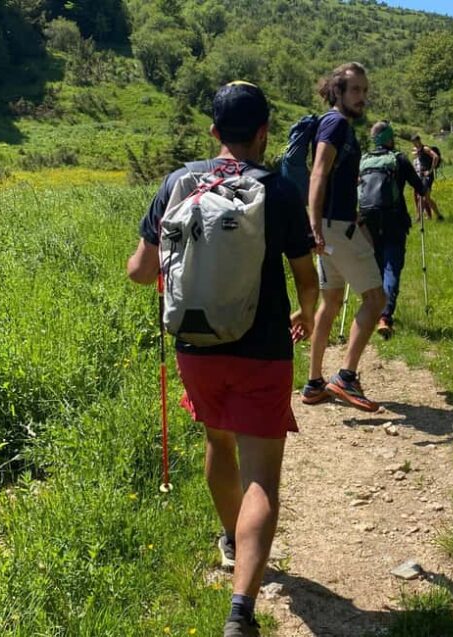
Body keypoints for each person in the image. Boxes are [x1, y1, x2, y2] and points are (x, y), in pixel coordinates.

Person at [126, 82, 318, 637]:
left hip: (196, 344)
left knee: (218, 442)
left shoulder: (177, 183)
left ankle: (232, 539)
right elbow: (306, 277)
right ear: (264, 133)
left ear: (213, 132)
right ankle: (241, 612)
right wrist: (306, 314)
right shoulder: (278, 189)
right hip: (262, 349)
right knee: (263, 478)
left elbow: (139, 271)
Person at [301, 62, 386, 412]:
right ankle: (346, 377)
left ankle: (313, 383)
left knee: (332, 301)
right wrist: (315, 225)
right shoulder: (335, 124)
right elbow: (318, 173)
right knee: (376, 299)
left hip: (333, 226)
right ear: (338, 91)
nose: (362, 97)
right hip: (334, 228)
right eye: (355, 90)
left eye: (365, 90)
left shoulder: (337, 124)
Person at [360, 121, 427, 339]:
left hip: (368, 220)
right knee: (392, 268)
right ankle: (385, 317)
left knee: (377, 267)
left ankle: (373, 310)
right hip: (394, 220)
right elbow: (420, 188)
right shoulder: (399, 159)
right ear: (389, 138)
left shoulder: (364, 160)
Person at [411, 134, 443, 221]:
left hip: (427, 176)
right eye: (413, 143)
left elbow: (435, 157)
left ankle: (419, 218)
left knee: (422, 196)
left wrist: (430, 170)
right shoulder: (419, 150)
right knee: (425, 197)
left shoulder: (425, 149)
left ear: (419, 141)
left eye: (415, 142)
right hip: (422, 175)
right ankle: (439, 216)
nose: (414, 144)